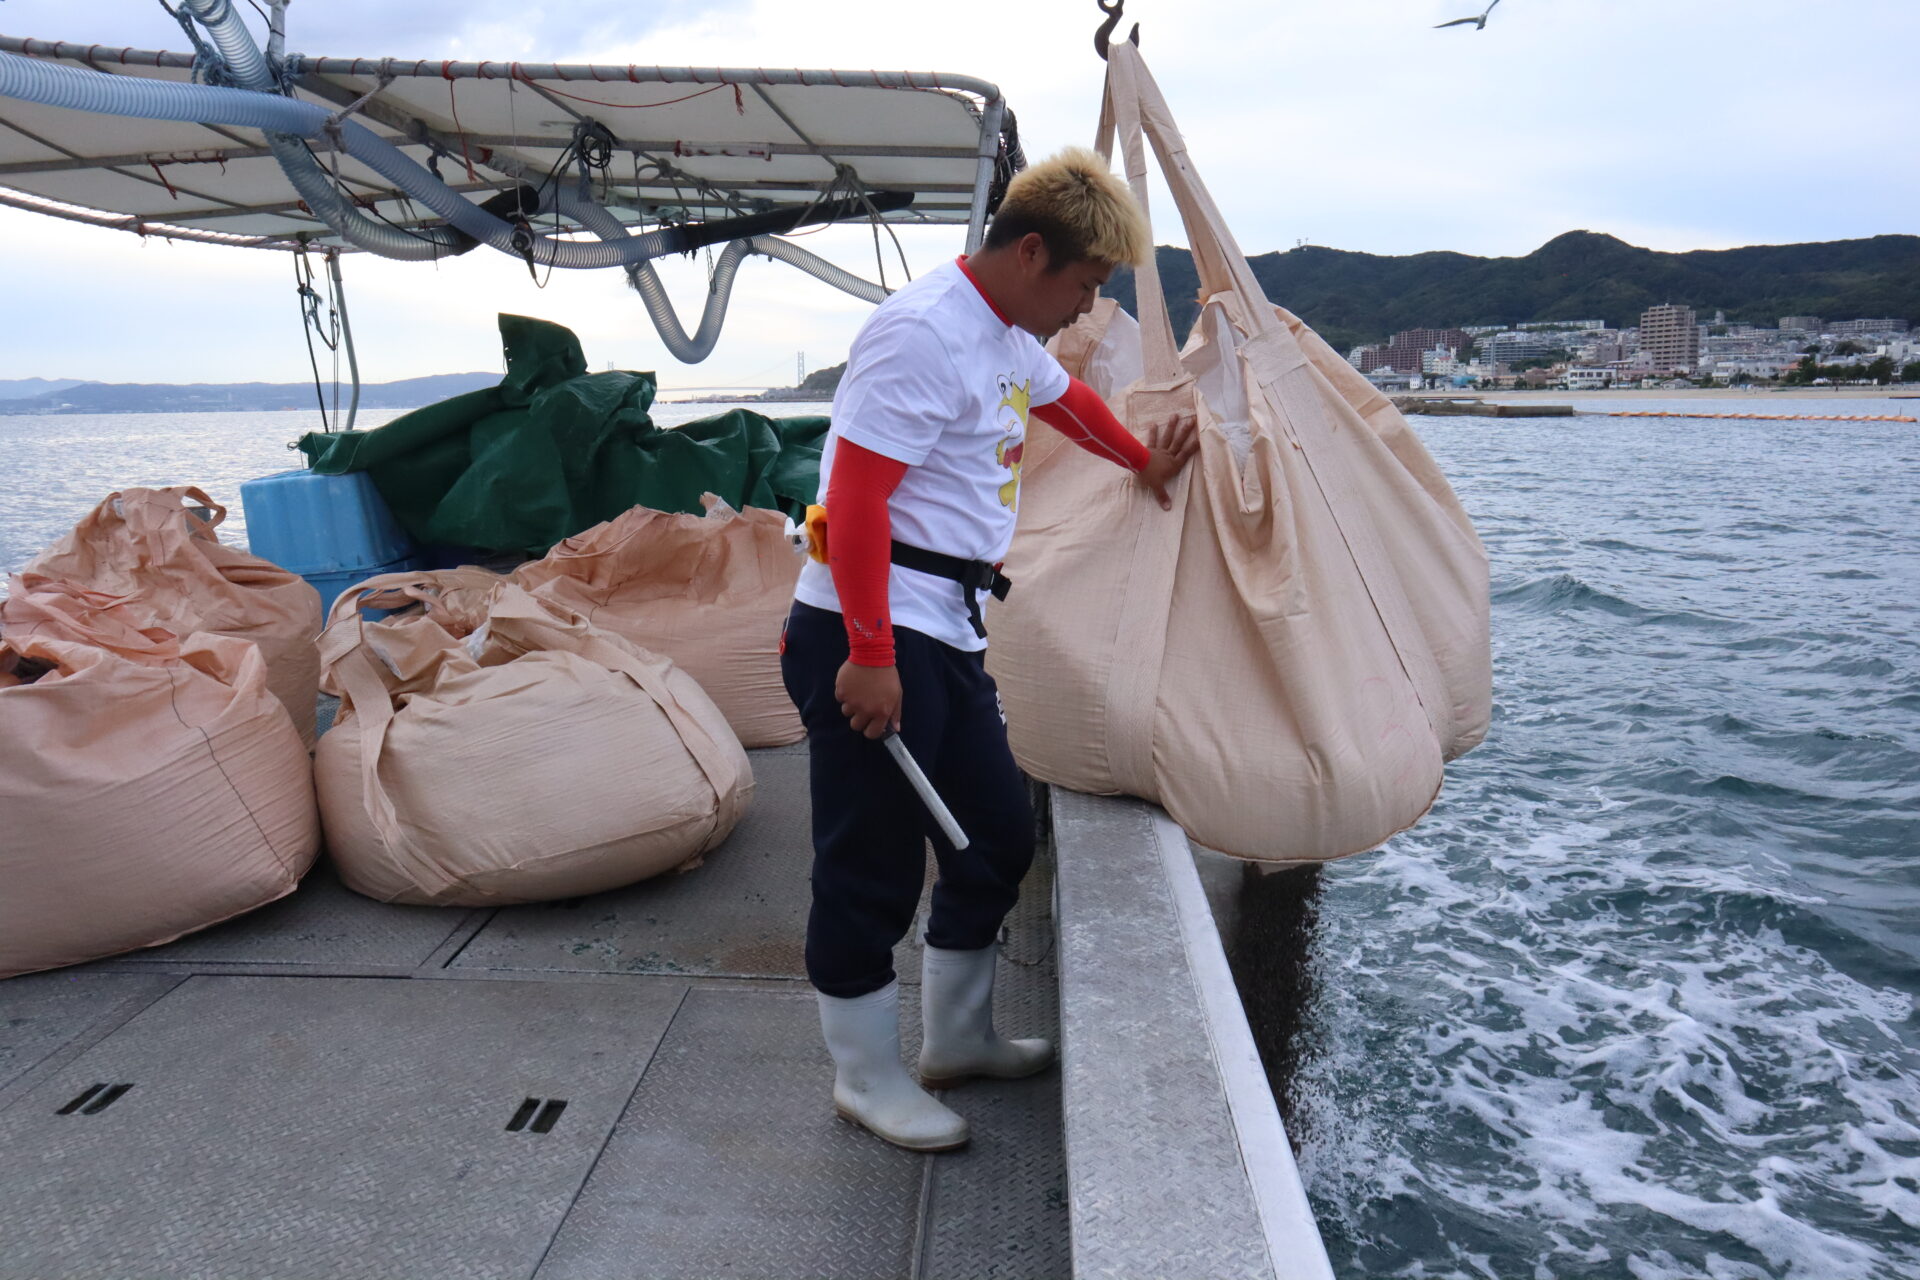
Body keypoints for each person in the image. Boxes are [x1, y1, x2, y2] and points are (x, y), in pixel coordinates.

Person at [780, 147, 1199, 1151]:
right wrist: (870, 653)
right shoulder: (922, 335)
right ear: (1029, 251)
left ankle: (956, 1040)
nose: (1084, 306)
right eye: (1086, 285)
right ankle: (867, 1078)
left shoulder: (1008, 332)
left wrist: (1143, 461)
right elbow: (857, 505)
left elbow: (1067, 403)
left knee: (997, 839)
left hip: (947, 633)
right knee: (868, 865)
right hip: (866, 633)